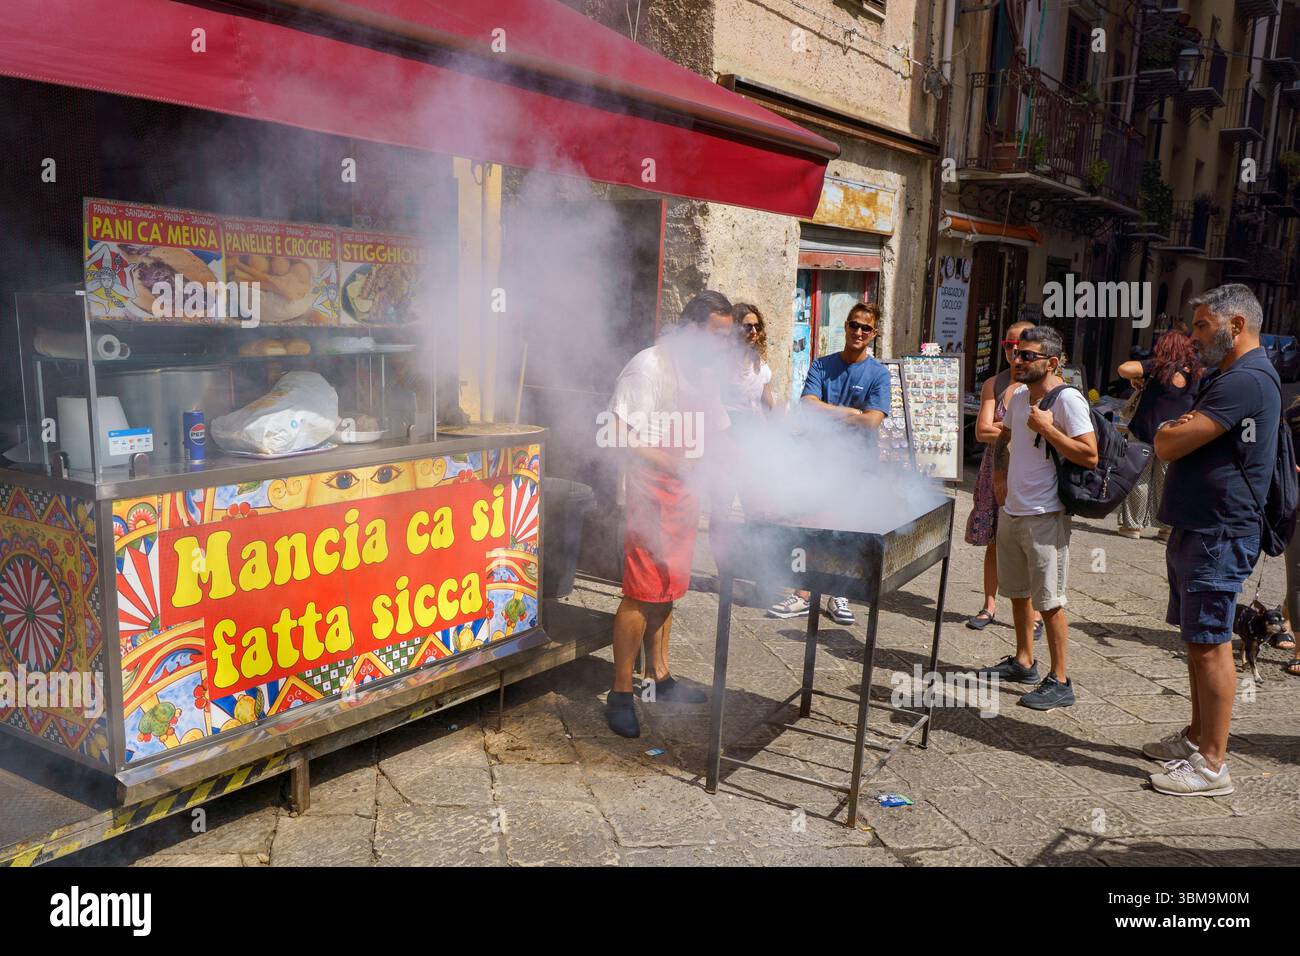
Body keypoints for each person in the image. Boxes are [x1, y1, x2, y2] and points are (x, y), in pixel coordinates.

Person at [1145, 284, 1279, 796]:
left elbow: (1168, 441)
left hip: (1219, 530)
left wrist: (1175, 430)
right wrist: (1179, 430)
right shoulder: (1233, 376)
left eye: (1202, 326)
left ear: (1236, 325)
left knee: (1210, 644)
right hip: (1202, 526)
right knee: (1196, 641)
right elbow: (1177, 436)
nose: (1194, 336)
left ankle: (1213, 764)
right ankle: (1197, 738)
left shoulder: (1244, 380)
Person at [604, 290, 735, 738]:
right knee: (641, 592)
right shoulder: (649, 366)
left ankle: (658, 678)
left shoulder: (701, 373)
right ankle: (621, 692)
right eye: (718, 336)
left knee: (668, 587)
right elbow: (618, 437)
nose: (723, 345)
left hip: (684, 497)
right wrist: (675, 464)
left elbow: (719, 430)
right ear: (693, 329)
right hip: (650, 495)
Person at [978, 326, 1098, 709]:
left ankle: (1061, 679)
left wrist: (1049, 430)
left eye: (1028, 356)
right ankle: (1023, 660)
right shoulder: (1016, 397)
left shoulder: (1068, 401)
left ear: (1052, 362)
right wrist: (999, 478)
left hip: (1047, 515)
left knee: (1050, 601)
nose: (1018, 360)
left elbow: (1089, 454)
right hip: (1013, 509)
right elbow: (1004, 438)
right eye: (1017, 353)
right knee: (1017, 593)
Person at [767, 301, 891, 626]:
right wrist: (850, 412)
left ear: (873, 333)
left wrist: (829, 411)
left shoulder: (878, 374)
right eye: (854, 325)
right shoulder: (822, 365)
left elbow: (873, 422)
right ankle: (803, 593)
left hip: (856, 466)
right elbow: (807, 406)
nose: (858, 332)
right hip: (817, 461)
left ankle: (839, 594)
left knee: (845, 529)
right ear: (846, 326)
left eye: (866, 328)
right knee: (809, 527)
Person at [965, 319, 1042, 642]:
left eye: (1022, 348)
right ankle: (989, 604)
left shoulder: (1040, 385)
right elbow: (982, 431)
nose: (1015, 354)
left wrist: (1005, 430)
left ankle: (1035, 613)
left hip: (1030, 474)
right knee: (995, 541)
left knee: (1032, 546)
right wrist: (1019, 430)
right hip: (994, 470)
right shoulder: (994, 385)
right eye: (1010, 346)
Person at [1115, 330, 1201, 540]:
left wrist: (1137, 376)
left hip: (1145, 429)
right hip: (1176, 436)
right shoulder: (1197, 374)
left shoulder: (1157, 366)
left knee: (1139, 478)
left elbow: (1123, 368)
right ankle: (1168, 528)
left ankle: (1133, 526)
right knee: (1169, 481)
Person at [724, 303, 777, 425]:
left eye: (757, 327)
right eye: (748, 327)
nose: (754, 332)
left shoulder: (761, 366)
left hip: (754, 433)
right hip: (730, 433)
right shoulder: (722, 363)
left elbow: (769, 407)